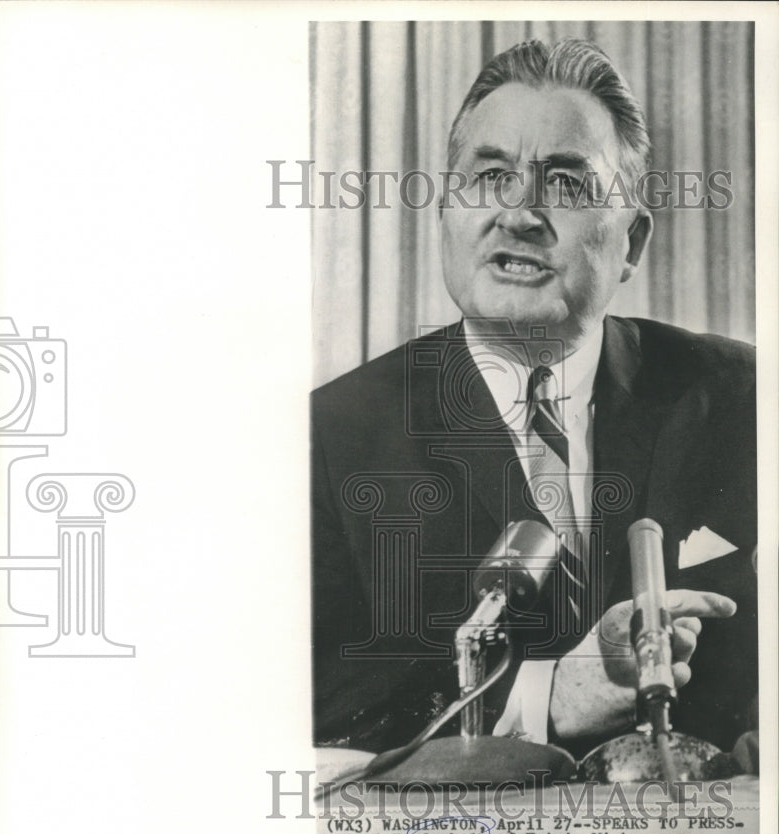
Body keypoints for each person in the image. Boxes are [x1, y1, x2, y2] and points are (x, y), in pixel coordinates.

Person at [311, 38, 757, 761]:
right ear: (447, 218)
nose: (518, 213)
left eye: (567, 184)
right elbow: (313, 691)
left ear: (632, 243)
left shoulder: (744, 399)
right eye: (490, 176)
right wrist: (547, 696)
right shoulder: (330, 437)